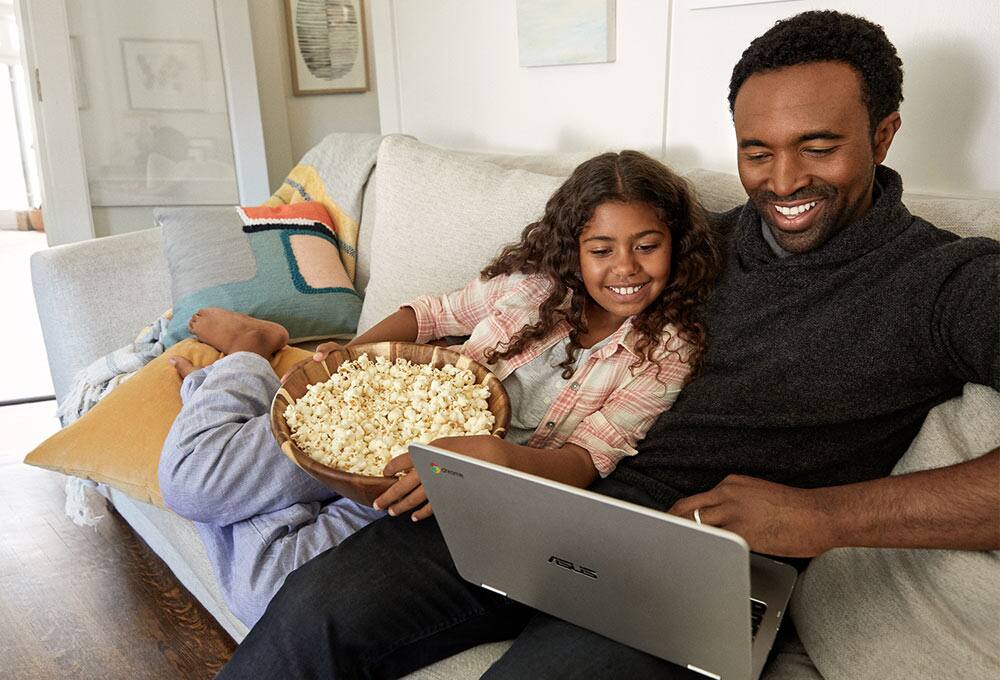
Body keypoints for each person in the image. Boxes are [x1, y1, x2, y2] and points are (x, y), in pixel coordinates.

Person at [213, 10, 999, 679]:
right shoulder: (683, 246)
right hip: (537, 502)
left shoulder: (945, 282)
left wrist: (824, 518)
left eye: (819, 146)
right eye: (757, 152)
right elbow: (545, 292)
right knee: (314, 610)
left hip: (695, 562)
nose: (783, 180)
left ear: (885, 134)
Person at [158, 150, 719, 626]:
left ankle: (234, 403)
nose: (624, 267)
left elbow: (584, 460)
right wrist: (350, 359)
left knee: (265, 597)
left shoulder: (667, 353)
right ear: (574, 247)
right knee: (188, 487)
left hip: (435, 483)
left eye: (647, 246)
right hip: (367, 415)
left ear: (676, 244)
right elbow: (426, 316)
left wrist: (493, 460)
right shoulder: (533, 286)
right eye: (601, 249)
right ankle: (251, 357)